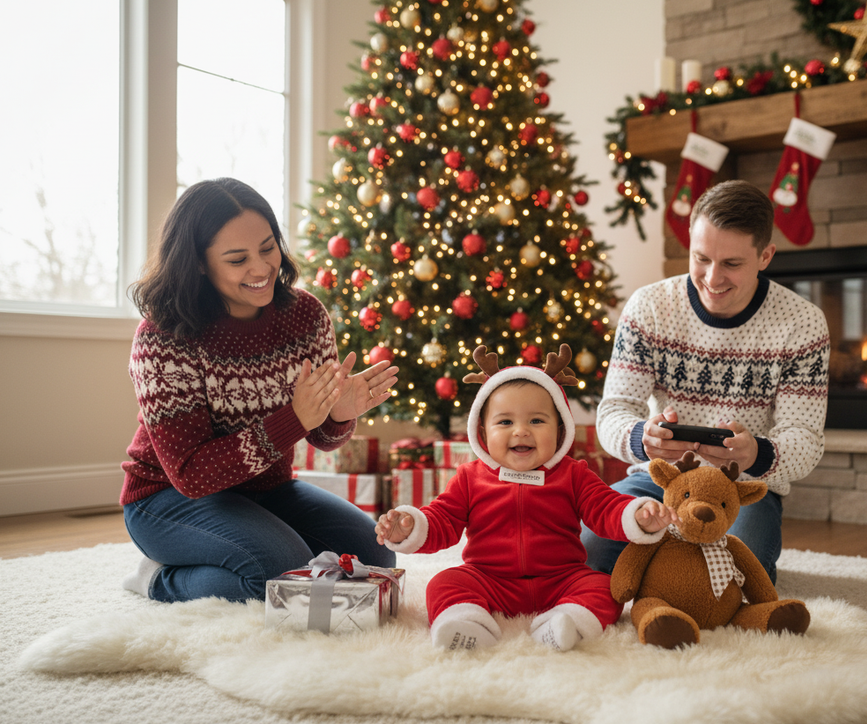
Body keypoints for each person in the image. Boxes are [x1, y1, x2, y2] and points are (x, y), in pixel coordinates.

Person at [120, 177, 399, 603]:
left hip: (266, 489)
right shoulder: (163, 336)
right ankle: (160, 581)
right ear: (197, 262)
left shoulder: (305, 315)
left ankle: (240, 548)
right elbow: (192, 476)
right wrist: (295, 419)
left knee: (373, 555)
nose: (261, 268)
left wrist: (338, 413)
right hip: (166, 499)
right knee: (282, 574)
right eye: (237, 259)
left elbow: (323, 439)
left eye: (268, 248)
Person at [582, 180, 830, 584]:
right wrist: (640, 438)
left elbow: (805, 439)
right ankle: (664, 561)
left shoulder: (802, 323)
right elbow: (613, 412)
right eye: (701, 259)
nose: (713, 279)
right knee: (587, 550)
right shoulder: (649, 308)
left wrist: (755, 455)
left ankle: (662, 564)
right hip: (658, 477)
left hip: (742, 487)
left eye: (732, 264)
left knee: (733, 578)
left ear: (765, 255)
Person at [376, 345, 678, 652]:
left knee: (604, 586)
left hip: (561, 578)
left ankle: (566, 622)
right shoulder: (470, 477)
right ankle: (465, 622)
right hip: (489, 578)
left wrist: (637, 514)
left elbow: (606, 507)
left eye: (536, 421)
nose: (521, 431)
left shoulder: (573, 474)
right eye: (505, 422)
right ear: (482, 432)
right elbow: (442, 520)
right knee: (444, 583)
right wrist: (410, 526)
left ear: (560, 431)